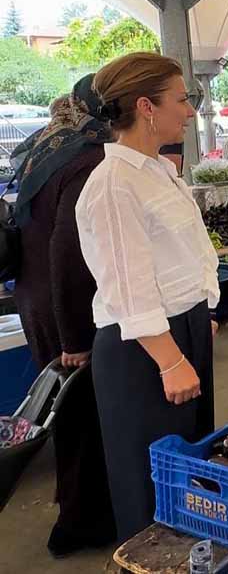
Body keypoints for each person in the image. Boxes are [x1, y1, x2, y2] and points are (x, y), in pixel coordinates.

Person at [76, 52, 220, 542]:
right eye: (182, 99)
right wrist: (169, 359)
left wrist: (201, 313)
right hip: (142, 351)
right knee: (151, 484)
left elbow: (181, 255)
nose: (190, 110)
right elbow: (128, 286)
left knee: (190, 470)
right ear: (146, 106)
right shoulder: (113, 184)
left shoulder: (155, 169)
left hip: (179, 331)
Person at [14, 75, 116, 557]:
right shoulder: (87, 158)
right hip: (67, 309)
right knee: (85, 419)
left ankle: (76, 506)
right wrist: (75, 337)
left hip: (35, 298)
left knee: (71, 419)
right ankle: (78, 524)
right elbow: (69, 253)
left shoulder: (45, 145)